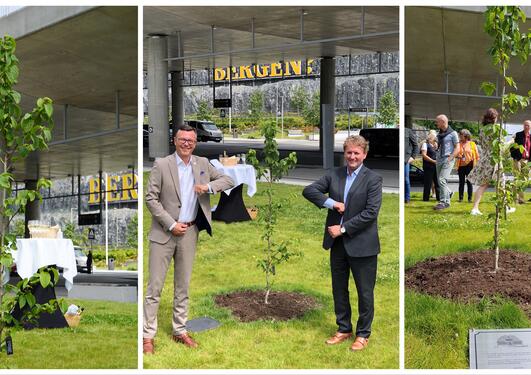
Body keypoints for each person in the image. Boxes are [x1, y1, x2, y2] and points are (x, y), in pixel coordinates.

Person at [143, 125, 234, 354]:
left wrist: (208, 187)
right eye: (183, 139)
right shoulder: (161, 164)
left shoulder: (202, 163)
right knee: (155, 287)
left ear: (195, 143)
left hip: (190, 234)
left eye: (191, 140)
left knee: (182, 286)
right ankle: (147, 336)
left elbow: (228, 180)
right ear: (175, 141)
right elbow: (151, 199)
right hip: (164, 234)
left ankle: (179, 330)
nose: (187, 143)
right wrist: (171, 224)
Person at [302, 135, 382, 352]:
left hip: (362, 245)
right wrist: (332, 203)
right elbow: (309, 190)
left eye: (357, 153)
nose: (352, 156)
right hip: (337, 245)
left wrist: (343, 229)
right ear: (344, 153)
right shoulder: (334, 175)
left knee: (365, 292)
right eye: (349, 152)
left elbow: (371, 213)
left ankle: (363, 334)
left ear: (364, 154)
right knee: (339, 289)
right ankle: (344, 328)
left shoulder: (373, 179)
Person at [468, 108, 515, 215]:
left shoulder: (482, 130)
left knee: (484, 184)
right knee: (501, 183)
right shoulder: (496, 129)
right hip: (495, 159)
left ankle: (475, 209)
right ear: (494, 118)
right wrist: (512, 140)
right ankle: (504, 208)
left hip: (485, 159)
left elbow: (483, 145)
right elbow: (501, 147)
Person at [434, 114, 459, 210]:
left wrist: (451, 158)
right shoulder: (439, 134)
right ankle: (447, 197)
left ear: (443, 122)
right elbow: (438, 146)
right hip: (439, 160)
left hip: (447, 159)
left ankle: (444, 202)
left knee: (441, 180)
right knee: (440, 181)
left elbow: (458, 147)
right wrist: (436, 145)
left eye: (437, 121)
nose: (436, 123)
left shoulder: (453, 133)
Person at [510, 120, 531, 204]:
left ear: (530, 127)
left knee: (523, 181)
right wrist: (514, 157)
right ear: (523, 126)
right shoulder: (518, 135)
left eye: (528, 125)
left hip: (527, 161)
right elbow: (512, 147)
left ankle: (521, 199)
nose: (526, 127)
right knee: (516, 179)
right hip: (518, 160)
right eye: (525, 125)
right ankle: (515, 199)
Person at [455, 129, 479, 203]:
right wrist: (458, 156)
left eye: (461, 135)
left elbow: (477, 155)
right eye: (459, 135)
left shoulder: (472, 144)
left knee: (469, 182)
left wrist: (477, 165)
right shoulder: (458, 144)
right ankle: (460, 198)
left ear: (466, 136)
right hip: (461, 166)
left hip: (470, 165)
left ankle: (469, 199)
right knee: (461, 182)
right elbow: (455, 153)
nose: (459, 137)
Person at [420, 130, 439, 201]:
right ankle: (426, 198)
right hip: (428, 166)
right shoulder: (425, 144)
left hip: (435, 166)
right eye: (434, 138)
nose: (435, 139)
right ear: (430, 138)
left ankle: (439, 197)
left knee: (437, 182)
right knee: (428, 183)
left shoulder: (436, 145)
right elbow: (424, 155)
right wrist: (432, 161)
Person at [404, 127, 418, 203]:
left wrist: (413, 157)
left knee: (406, 179)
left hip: (405, 160)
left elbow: (416, 145)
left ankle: (407, 198)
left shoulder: (408, 131)